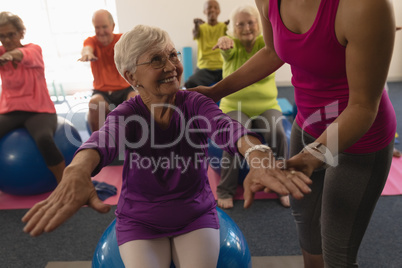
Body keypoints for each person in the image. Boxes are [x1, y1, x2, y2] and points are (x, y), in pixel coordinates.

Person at [21, 25, 312, 268]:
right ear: (131, 76)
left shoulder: (195, 102)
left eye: (172, 55)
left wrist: (257, 153)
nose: (172, 66)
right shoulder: (127, 113)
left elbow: (227, 128)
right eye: (157, 60)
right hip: (140, 219)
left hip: (194, 213)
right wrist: (76, 169)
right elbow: (103, 139)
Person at [191, 0, 396, 267]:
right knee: (308, 230)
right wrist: (215, 91)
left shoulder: (364, 6)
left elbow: (363, 107)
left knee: (337, 252)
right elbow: (273, 52)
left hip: (359, 138)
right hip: (307, 127)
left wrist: (313, 156)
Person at [212, 4, 289, 209]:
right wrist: (223, 41)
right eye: (240, 24)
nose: (246, 28)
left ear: (259, 24)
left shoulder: (268, 44)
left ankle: (281, 182)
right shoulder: (232, 45)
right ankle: (225, 190)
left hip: (267, 105)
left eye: (251, 22)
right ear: (233, 28)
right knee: (235, 137)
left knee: (279, 133)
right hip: (235, 106)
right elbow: (225, 48)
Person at [0, 12, 65, 183]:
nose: (6, 40)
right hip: (10, 111)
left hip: (40, 110)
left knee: (44, 138)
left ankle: (65, 184)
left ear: (21, 33)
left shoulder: (34, 49)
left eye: (11, 35)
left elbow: (22, 55)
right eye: (2, 36)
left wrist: (9, 55)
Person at [78, 9, 138, 132]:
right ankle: (100, 145)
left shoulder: (122, 40)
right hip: (102, 92)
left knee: (136, 100)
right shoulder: (91, 41)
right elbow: (87, 49)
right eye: (97, 27)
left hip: (125, 89)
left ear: (113, 26)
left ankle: (133, 143)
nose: (100, 32)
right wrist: (87, 54)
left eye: (104, 27)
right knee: (95, 103)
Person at [184, 0, 229, 88]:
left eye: (215, 8)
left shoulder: (224, 27)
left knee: (237, 83)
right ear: (204, 11)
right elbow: (195, 33)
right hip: (204, 69)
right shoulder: (200, 27)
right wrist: (196, 25)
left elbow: (233, 37)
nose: (212, 10)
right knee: (190, 83)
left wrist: (231, 25)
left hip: (222, 68)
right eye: (209, 8)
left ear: (219, 11)